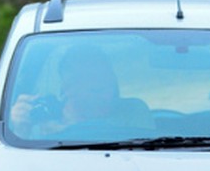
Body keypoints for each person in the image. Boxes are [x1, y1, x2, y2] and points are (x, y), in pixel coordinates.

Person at [10, 46, 152, 137]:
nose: (107, 95)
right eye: (95, 89)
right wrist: (20, 130)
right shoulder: (42, 116)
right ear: (67, 88)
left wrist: (67, 131)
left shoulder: (132, 111)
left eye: (109, 84)